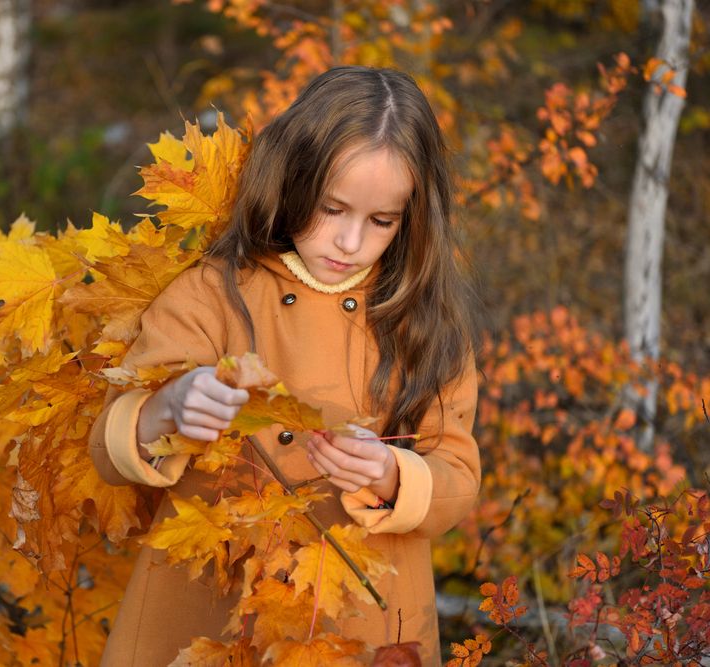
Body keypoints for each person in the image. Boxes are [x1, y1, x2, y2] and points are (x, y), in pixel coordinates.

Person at [89, 66, 481, 666]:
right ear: (291, 179)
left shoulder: (422, 324)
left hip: (363, 612)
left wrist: (391, 475)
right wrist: (170, 405)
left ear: (413, 220)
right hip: (209, 603)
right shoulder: (213, 294)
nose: (349, 241)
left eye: (381, 222)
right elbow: (109, 444)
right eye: (331, 209)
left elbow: (456, 470)